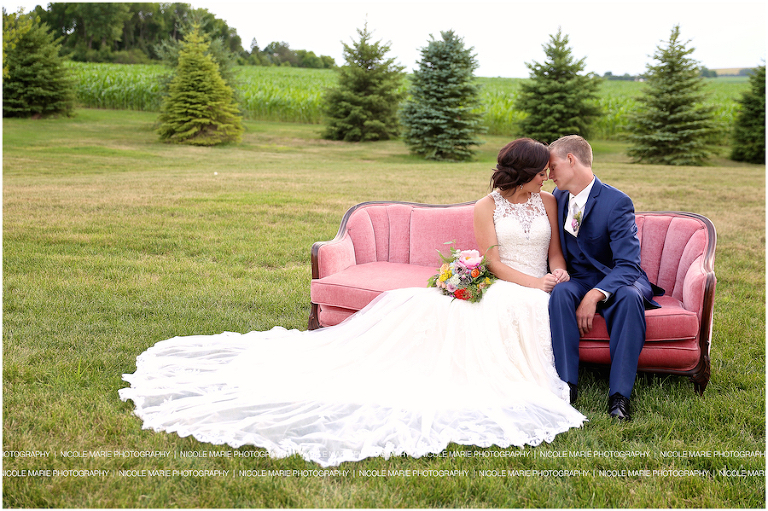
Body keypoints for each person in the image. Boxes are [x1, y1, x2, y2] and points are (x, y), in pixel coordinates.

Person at [119, 138, 585, 468]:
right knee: (482, 306)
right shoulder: (487, 207)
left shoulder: (547, 203)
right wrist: (531, 284)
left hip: (540, 280)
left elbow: (555, 251)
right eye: (542, 170)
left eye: (549, 170)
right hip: (509, 280)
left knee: (523, 307)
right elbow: (492, 260)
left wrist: (556, 273)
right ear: (524, 171)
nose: (549, 175)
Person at [547, 135, 661, 421]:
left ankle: (619, 396)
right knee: (560, 293)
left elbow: (628, 264)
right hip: (579, 277)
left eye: (552, 166)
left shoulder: (617, 202)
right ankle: (567, 385)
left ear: (571, 160)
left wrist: (595, 294)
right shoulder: (558, 197)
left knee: (629, 297)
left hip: (618, 276)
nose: (549, 174)